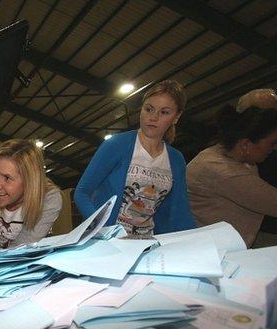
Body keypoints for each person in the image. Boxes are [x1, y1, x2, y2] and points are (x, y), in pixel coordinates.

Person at [74, 80, 196, 237]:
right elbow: (82, 192)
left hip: (147, 242)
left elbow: (180, 209)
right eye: (149, 109)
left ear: (176, 117)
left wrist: (197, 240)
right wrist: (101, 229)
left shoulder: (176, 159)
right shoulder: (116, 145)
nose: (153, 117)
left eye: (164, 112)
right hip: (108, 241)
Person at [186, 89, 277, 247]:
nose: (273, 149)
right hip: (212, 252)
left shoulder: (233, 157)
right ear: (246, 144)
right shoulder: (221, 169)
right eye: (272, 143)